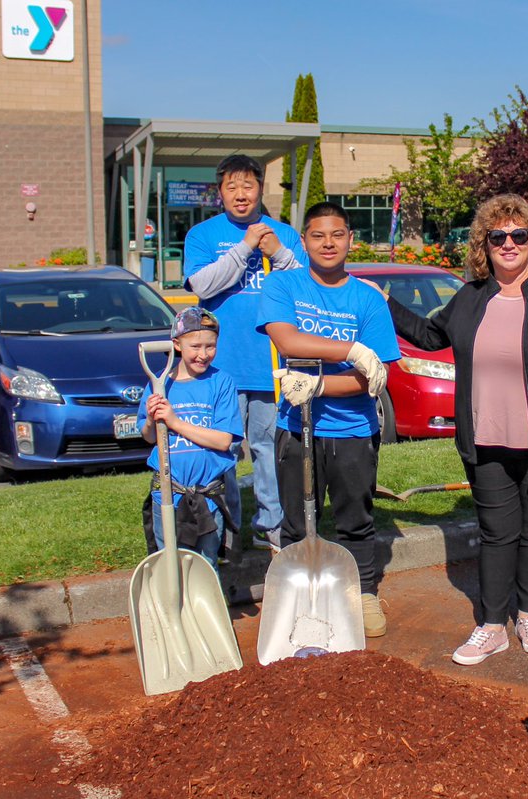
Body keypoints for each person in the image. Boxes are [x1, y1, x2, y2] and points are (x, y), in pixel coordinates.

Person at [385, 194, 528, 666]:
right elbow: (430, 336)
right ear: (484, 245)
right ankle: (492, 625)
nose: (508, 244)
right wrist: (383, 303)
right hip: (485, 435)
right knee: (496, 531)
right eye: (498, 237)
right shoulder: (471, 297)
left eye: (518, 235)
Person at [258, 201, 399, 638]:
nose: (328, 243)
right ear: (303, 242)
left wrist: (319, 385)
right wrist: (349, 350)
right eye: (318, 235)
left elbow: (374, 377)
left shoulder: (367, 299)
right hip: (296, 427)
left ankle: (366, 593)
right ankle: (301, 598)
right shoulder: (282, 285)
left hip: (353, 429)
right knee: (298, 520)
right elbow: (286, 337)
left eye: (337, 235)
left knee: (354, 518)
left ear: (350, 240)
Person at [182, 154, 306, 553]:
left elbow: (303, 286)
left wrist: (278, 253)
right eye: (231, 187)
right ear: (220, 192)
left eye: (248, 186)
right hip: (221, 365)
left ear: (260, 189)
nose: (240, 194)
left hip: (272, 361)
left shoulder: (284, 234)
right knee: (224, 448)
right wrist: (246, 247)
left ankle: (270, 525)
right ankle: (228, 528)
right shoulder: (202, 235)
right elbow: (203, 284)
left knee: (269, 447)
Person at [137, 307, 242, 571]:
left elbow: (222, 440)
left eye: (211, 346)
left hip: (208, 493)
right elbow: (150, 437)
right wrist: (152, 419)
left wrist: (174, 422)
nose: (203, 354)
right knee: (169, 563)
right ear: (176, 345)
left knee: (206, 564)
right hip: (167, 492)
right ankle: (172, 611)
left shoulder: (221, 382)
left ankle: (205, 610)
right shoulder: (159, 384)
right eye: (195, 346)